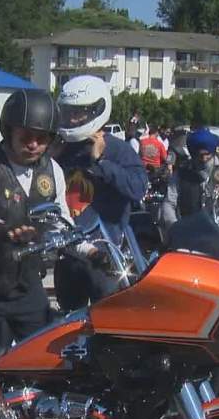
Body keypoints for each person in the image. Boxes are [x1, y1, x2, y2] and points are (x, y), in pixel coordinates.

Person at [0, 88, 71, 360]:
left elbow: (61, 220)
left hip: (27, 287)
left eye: (42, 139)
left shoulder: (53, 171)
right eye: (26, 136)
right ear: (8, 131)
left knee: (47, 362)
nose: (33, 145)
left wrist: (91, 252)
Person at [52, 75, 148, 311]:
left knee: (109, 321)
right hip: (69, 254)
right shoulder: (60, 149)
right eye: (69, 112)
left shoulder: (116, 148)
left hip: (106, 256)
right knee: (68, 322)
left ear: (97, 110)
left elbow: (138, 188)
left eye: (79, 113)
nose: (73, 118)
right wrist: (49, 158)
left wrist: (102, 161)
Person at [160, 128, 219, 229]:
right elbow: (169, 203)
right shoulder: (181, 175)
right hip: (192, 234)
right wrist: (174, 227)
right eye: (199, 155)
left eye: (207, 154)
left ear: (213, 151)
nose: (203, 159)